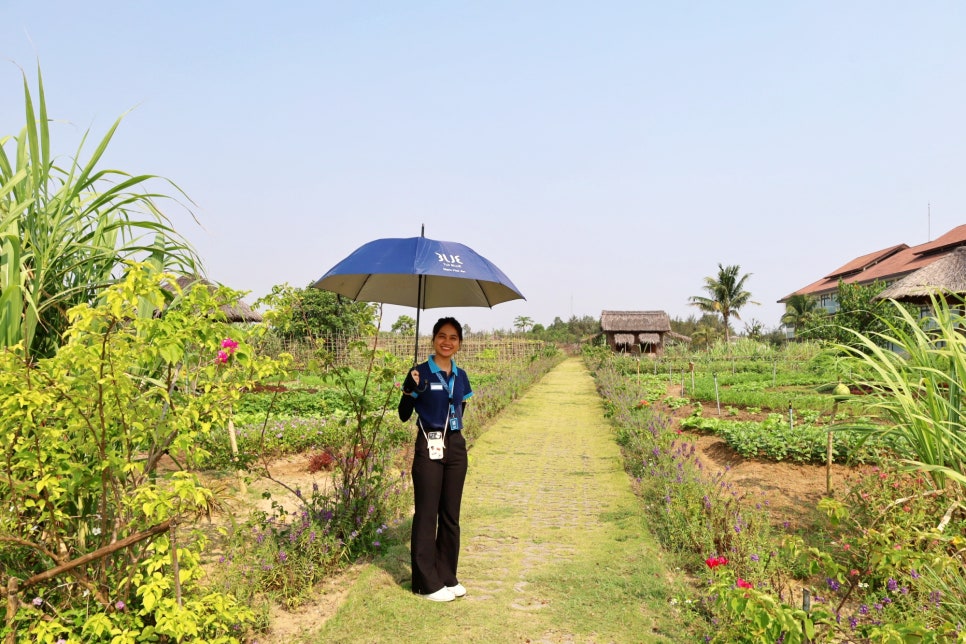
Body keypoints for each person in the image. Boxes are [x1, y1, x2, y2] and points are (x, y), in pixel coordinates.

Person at [398, 317, 473, 602]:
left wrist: (450, 435)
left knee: (451, 515)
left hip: (454, 446)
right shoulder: (419, 373)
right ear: (433, 339)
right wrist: (409, 389)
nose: (447, 342)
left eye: (453, 337)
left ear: (460, 344)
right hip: (428, 444)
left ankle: (446, 575)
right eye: (442, 336)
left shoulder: (461, 375)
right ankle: (425, 583)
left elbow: (459, 409)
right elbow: (405, 414)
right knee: (427, 514)